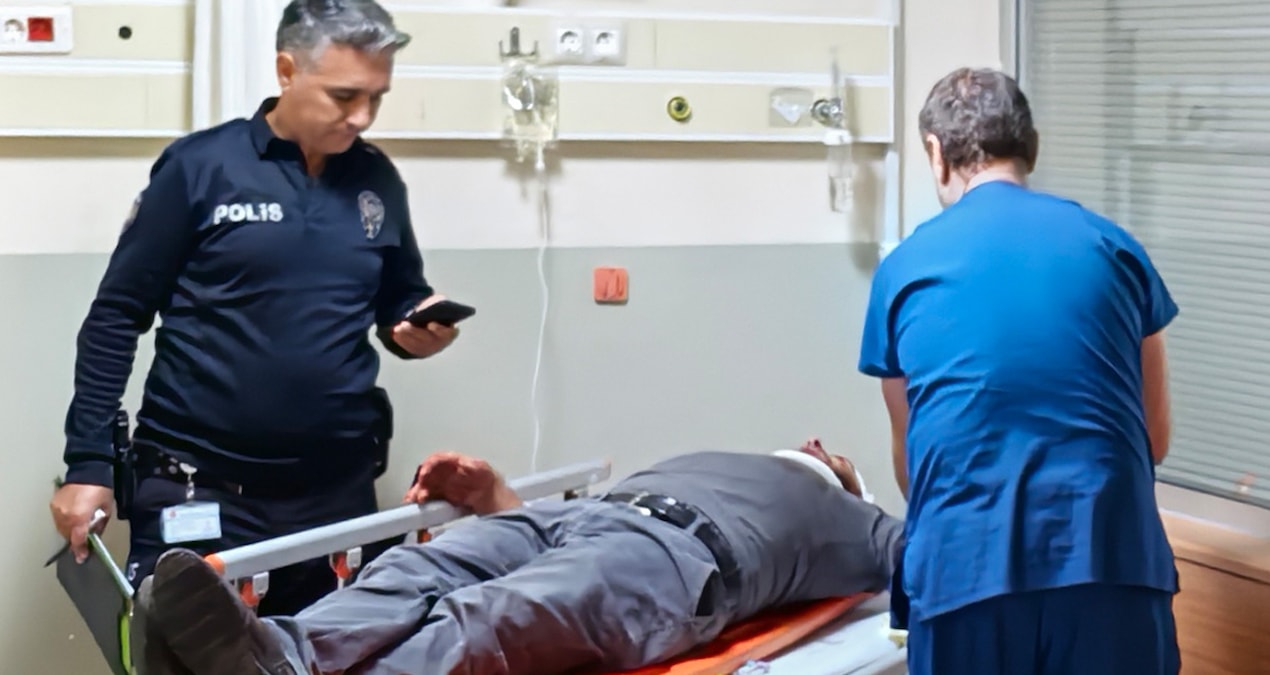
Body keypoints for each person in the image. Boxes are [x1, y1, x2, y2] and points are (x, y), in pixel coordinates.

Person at [47, 0, 459, 616]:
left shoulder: (376, 179)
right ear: (287, 70)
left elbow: (399, 298)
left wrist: (416, 325)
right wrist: (88, 463)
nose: (362, 116)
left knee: (341, 651)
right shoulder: (200, 168)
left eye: (376, 97)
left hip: (337, 493)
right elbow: (116, 316)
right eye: (344, 96)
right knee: (194, 654)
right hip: (202, 489)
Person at [858, 67, 1181, 675]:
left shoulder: (904, 268)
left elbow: (913, 463)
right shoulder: (1115, 248)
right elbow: (1153, 439)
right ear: (1029, 144)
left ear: (936, 152)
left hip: (965, 576)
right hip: (1112, 564)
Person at [134, 440, 904, 675]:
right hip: (577, 517)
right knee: (414, 569)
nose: (817, 443)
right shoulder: (716, 453)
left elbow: (928, 556)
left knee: (492, 618)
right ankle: (285, 653)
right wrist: (494, 494)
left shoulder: (847, 518)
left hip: (679, 559)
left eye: (833, 455)